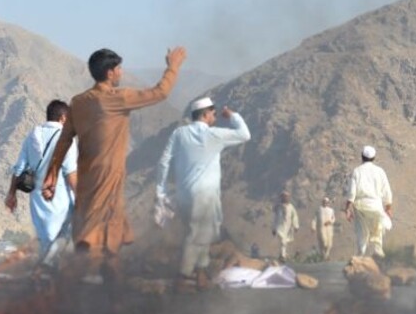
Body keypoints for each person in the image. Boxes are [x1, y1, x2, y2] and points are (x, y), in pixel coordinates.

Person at [42, 46, 185, 284]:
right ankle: (66, 289)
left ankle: (105, 288)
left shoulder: (78, 103)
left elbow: (64, 141)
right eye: (118, 68)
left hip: (88, 180)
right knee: (95, 242)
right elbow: (160, 93)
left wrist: (52, 175)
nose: (121, 73)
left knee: (103, 240)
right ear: (110, 72)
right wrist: (174, 66)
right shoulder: (116, 99)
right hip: (107, 179)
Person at [155, 96, 250, 292]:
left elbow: (164, 162)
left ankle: (201, 274)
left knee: (201, 233)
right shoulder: (214, 135)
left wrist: (161, 190)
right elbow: (244, 135)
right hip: (205, 195)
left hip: (183, 195)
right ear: (205, 114)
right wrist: (232, 115)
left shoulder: (179, 134)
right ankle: (182, 277)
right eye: (213, 113)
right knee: (197, 235)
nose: (215, 116)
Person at [5, 100, 79, 268]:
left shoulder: (32, 135)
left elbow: (19, 169)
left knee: (46, 240)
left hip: (37, 199)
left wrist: (12, 194)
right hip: (59, 197)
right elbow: (71, 173)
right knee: (62, 239)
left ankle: (44, 279)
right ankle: (50, 277)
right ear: (63, 118)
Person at [345, 145, 393, 259]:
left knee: (362, 230)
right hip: (376, 205)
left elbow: (351, 193)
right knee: (378, 227)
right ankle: (378, 250)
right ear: (374, 157)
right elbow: (387, 191)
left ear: (362, 157)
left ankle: (361, 252)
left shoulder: (356, 171)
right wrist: (388, 207)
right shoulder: (380, 171)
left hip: (360, 206)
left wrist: (347, 208)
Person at [272, 191, 300, 262]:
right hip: (279, 227)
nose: (285, 198)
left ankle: (283, 254)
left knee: (284, 242)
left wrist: (296, 225)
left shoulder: (291, 207)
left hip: (287, 228)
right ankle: (282, 256)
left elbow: (294, 216)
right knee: (282, 241)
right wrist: (273, 228)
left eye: (286, 197)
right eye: (283, 197)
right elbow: (275, 218)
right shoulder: (278, 207)